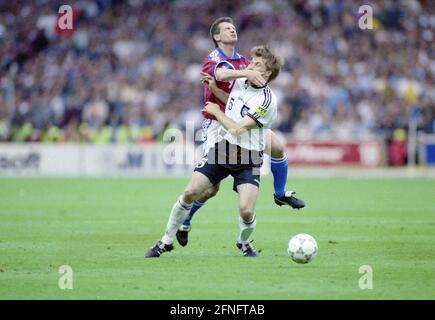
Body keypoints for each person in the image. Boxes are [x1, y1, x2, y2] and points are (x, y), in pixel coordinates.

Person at [176, 17, 305, 247]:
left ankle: (280, 193)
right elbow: (222, 75)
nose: (232, 29)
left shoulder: (244, 61)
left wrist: (250, 72)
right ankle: (186, 219)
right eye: (226, 28)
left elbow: (244, 93)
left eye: (233, 27)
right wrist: (245, 73)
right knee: (210, 190)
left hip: (239, 119)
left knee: (276, 145)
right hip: (216, 123)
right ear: (217, 36)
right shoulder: (214, 59)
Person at [145, 45, 283, 258]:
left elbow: (237, 128)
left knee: (246, 211)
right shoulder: (240, 82)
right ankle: (165, 241)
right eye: (251, 61)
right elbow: (235, 105)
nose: (249, 65)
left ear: (266, 73)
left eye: (256, 64)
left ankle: (244, 242)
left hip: (248, 158)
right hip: (223, 150)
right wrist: (216, 91)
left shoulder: (267, 101)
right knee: (190, 191)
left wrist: (216, 112)